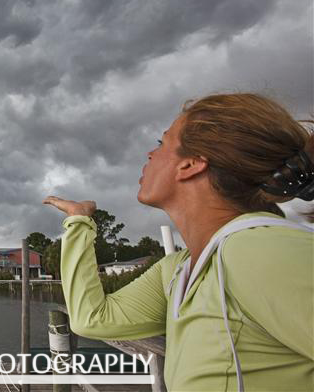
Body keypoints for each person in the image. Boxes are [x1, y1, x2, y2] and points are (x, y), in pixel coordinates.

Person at [43, 93, 313, 392]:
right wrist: (79, 222)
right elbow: (92, 319)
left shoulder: (259, 251)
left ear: (192, 164)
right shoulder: (179, 269)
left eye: (162, 143)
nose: (149, 153)